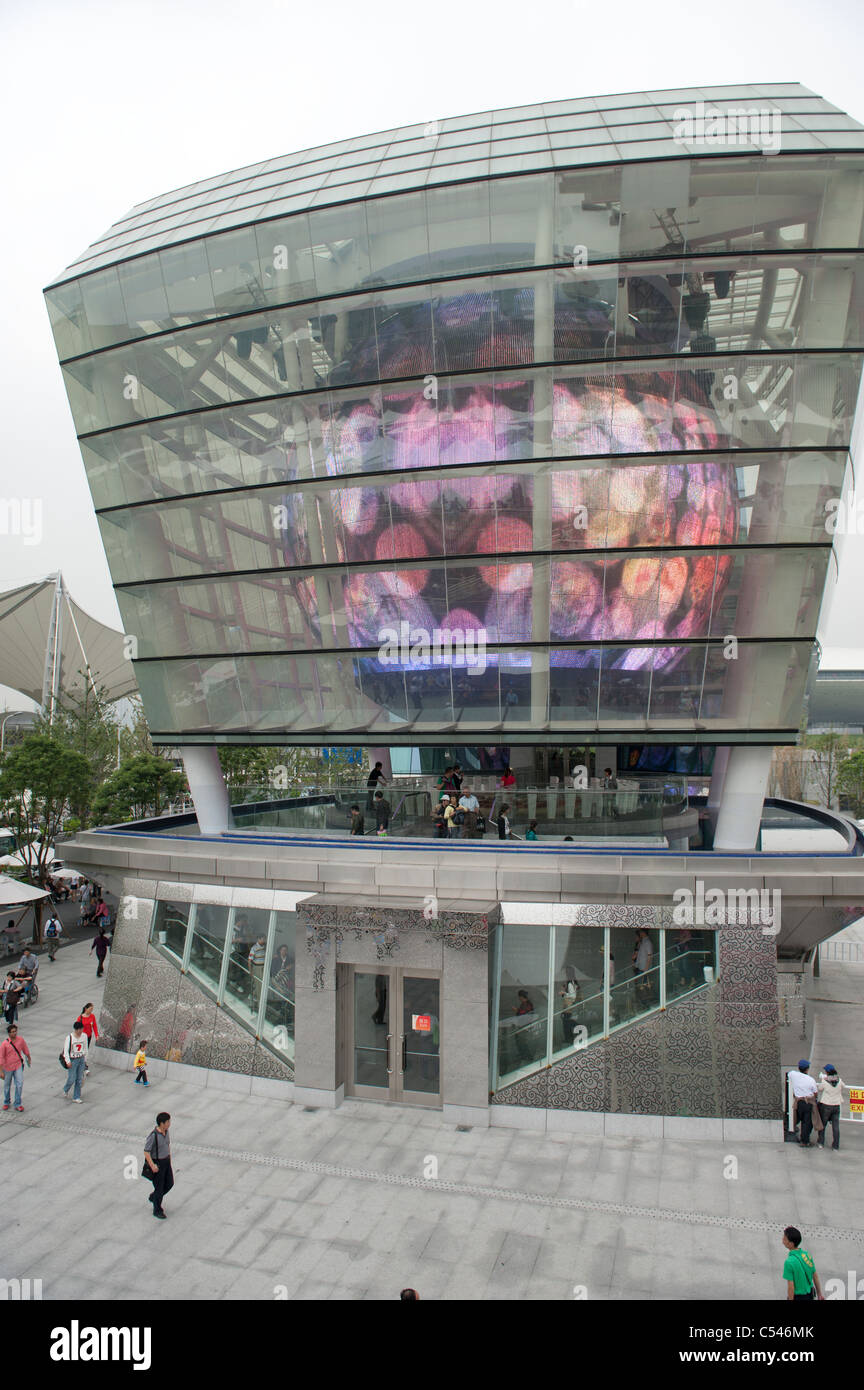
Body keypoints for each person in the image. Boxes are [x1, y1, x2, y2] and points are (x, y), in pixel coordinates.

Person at [143, 1112, 174, 1219]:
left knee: (170, 1183)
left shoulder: (166, 1132)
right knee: (159, 1188)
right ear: (161, 1123)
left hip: (166, 1161)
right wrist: (152, 1165)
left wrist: (169, 1157)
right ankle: (157, 1210)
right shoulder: (153, 1136)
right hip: (158, 1164)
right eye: (167, 1122)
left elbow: (167, 1144)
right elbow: (146, 1152)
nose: (169, 1124)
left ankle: (154, 1196)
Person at [781, 1227, 824, 1301]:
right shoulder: (807, 1255)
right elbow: (815, 1276)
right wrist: (819, 1294)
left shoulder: (789, 1262)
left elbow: (791, 1287)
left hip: (798, 1297)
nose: (782, 1239)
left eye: (784, 1238)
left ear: (791, 1243)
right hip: (810, 1295)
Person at [787, 1060, 820, 1146]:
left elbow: (789, 1073)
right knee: (806, 1122)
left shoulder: (793, 1075)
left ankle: (791, 1130)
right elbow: (815, 1093)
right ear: (807, 1069)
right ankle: (804, 1141)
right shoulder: (810, 1080)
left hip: (798, 1102)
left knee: (797, 1118)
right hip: (807, 1103)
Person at [816, 1064, 848, 1151]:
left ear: (827, 1072)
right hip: (836, 1106)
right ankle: (835, 1146)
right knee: (836, 1126)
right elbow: (843, 1086)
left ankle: (821, 1143)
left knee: (823, 1125)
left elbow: (819, 1088)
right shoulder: (839, 1080)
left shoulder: (825, 1081)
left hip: (826, 1105)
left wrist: (822, 1079)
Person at [0, 1022, 31, 1111]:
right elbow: (1, 1057)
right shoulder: (4, 1044)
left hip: (18, 1065)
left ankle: (17, 1103)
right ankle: (6, 1101)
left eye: (15, 1031)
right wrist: (1, 1071)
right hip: (7, 1067)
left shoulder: (20, 1040)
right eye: (12, 1032)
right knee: (7, 1086)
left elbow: (25, 1049)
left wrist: (28, 1057)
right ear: (9, 1033)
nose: (14, 1033)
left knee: (20, 1084)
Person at [62, 1020, 88, 1102]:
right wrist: (68, 1061)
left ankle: (76, 1096)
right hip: (73, 1060)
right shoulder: (69, 1037)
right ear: (76, 1030)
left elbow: (86, 1048)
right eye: (79, 1030)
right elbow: (66, 1051)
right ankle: (66, 1089)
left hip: (81, 1058)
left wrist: (85, 1059)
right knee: (72, 1078)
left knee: (79, 1078)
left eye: (81, 1030)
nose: (80, 1032)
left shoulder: (84, 1036)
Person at [79, 1002, 98, 1074]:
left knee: (85, 1051)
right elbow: (76, 1028)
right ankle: (83, 1065)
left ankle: (84, 1065)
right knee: (82, 1051)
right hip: (81, 1037)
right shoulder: (80, 1017)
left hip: (88, 1037)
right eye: (90, 1009)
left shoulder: (92, 1016)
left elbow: (94, 1026)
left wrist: (96, 1035)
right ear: (86, 1009)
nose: (91, 1011)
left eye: (92, 1009)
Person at [248, 935, 267, 1008]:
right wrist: (251, 971)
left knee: (261, 986)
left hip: (263, 967)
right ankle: (260, 1004)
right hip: (257, 968)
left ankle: (253, 998)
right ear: (258, 939)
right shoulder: (254, 948)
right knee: (259, 986)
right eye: (262, 939)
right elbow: (249, 960)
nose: (264, 941)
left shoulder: (264, 947)